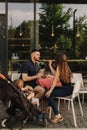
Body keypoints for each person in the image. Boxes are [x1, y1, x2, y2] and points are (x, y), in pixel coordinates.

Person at [45, 52, 73, 123]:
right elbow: (56, 74)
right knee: (49, 91)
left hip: (65, 90)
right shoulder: (66, 66)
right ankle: (49, 107)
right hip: (69, 89)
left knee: (49, 94)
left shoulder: (59, 67)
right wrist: (50, 65)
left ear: (58, 59)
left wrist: (50, 91)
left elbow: (55, 81)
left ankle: (58, 116)